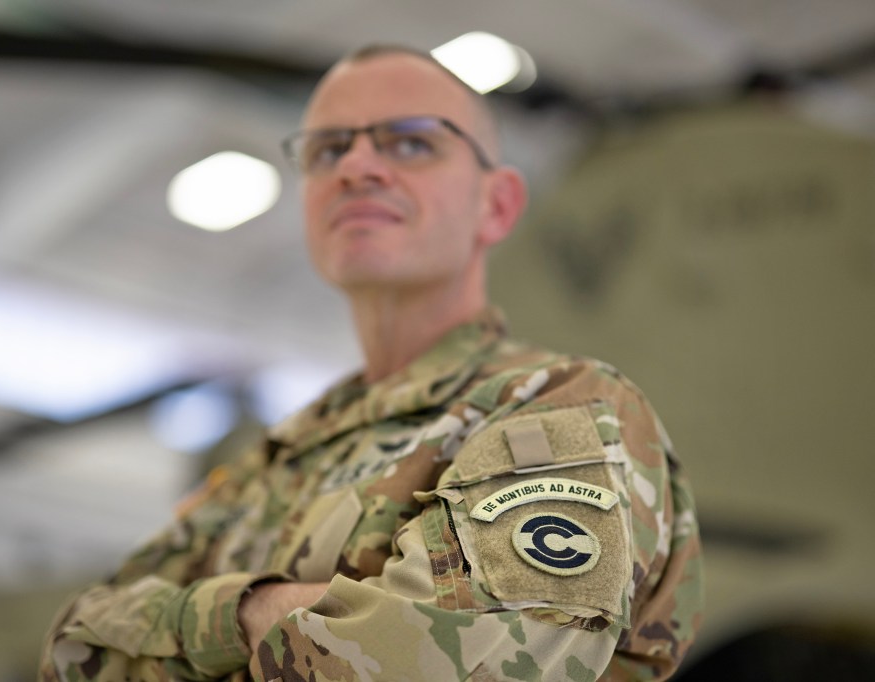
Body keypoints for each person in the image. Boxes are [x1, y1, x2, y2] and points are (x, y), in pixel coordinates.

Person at [39, 44, 704, 681]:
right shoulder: (279, 453)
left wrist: (203, 622)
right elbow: (74, 646)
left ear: (495, 205)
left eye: (412, 142)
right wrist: (283, 617)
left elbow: (436, 666)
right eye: (328, 149)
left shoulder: (560, 407)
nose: (356, 167)